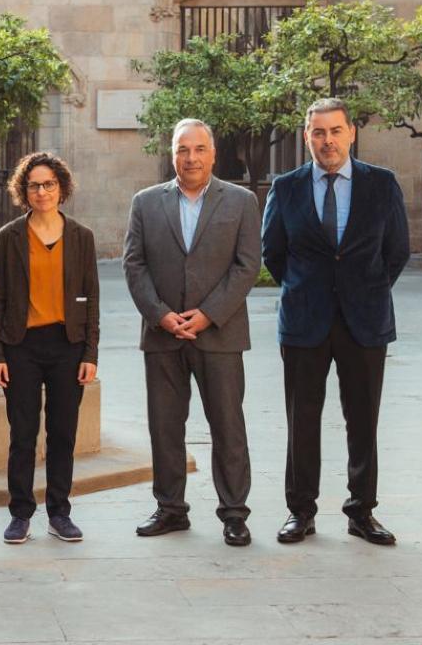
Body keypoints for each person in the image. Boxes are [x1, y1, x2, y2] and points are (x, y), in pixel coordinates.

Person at [262, 97, 410, 546]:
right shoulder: (285, 187)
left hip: (364, 320)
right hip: (305, 321)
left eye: (335, 131)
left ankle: (361, 511)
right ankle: (300, 512)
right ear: (306, 137)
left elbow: (397, 250)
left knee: (363, 420)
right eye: (318, 133)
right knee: (301, 419)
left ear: (352, 133)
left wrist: (365, 290)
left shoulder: (381, 184)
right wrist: (306, 289)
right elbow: (274, 252)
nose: (327, 141)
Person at [123, 118, 260, 547]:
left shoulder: (241, 201)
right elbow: (134, 264)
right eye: (183, 149)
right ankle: (170, 509)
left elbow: (247, 266)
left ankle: (234, 513)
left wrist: (208, 313)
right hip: (163, 335)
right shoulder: (145, 203)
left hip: (219, 334)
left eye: (199, 149)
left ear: (213, 153)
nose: (191, 157)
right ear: (172, 154)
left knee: (227, 426)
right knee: (165, 427)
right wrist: (161, 315)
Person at [0, 152, 99, 544]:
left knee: (63, 433)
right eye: (34, 184)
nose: (42, 191)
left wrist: (90, 354)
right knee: (22, 434)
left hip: (68, 346)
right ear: (24, 190)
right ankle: (20, 514)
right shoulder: (9, 237)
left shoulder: (81, 237)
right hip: (22, 346)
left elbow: (92, 298)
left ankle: (59, 512)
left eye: (49, 184)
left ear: (61, 188)